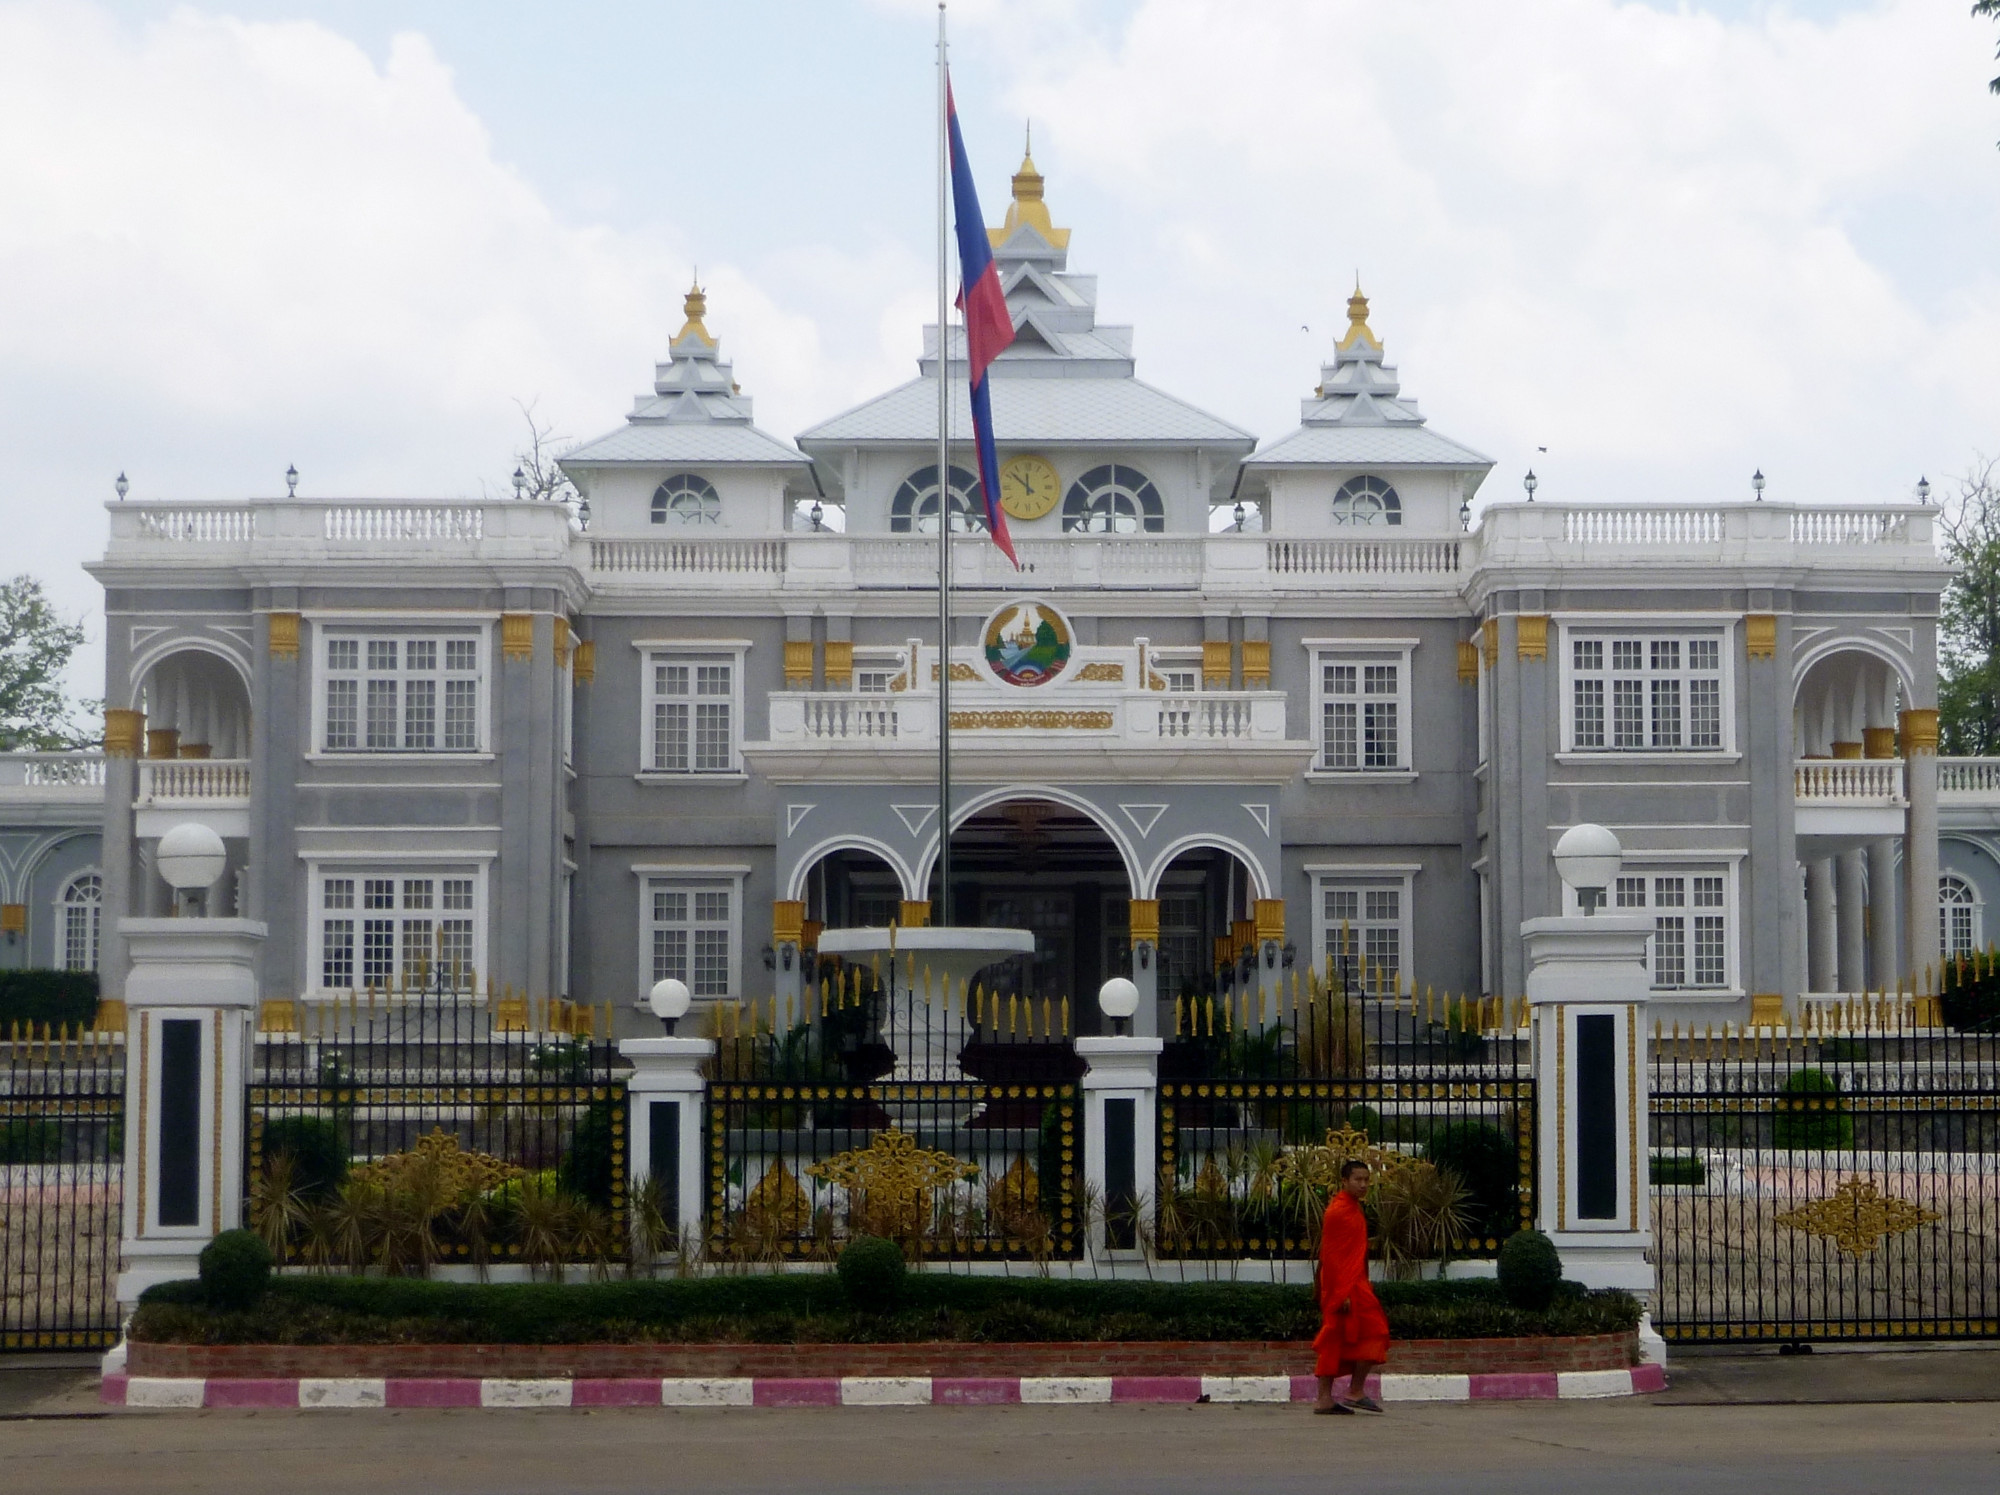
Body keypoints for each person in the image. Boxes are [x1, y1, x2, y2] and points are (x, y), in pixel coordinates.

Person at [1312, 1158, 1389, 1414]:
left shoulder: (1354, 1208)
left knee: (1370, 1333)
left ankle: (1353, 1391)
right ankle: (1329, 1397)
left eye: (1367, 1180)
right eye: (1358, 1179)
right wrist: (1340, 1293)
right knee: (1335, 1337)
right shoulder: (1337, 1211)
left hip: (1355, 1283)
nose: (1363, 1184)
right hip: (1342, 1288)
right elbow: (1331, 1256)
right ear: (1344, 1181)